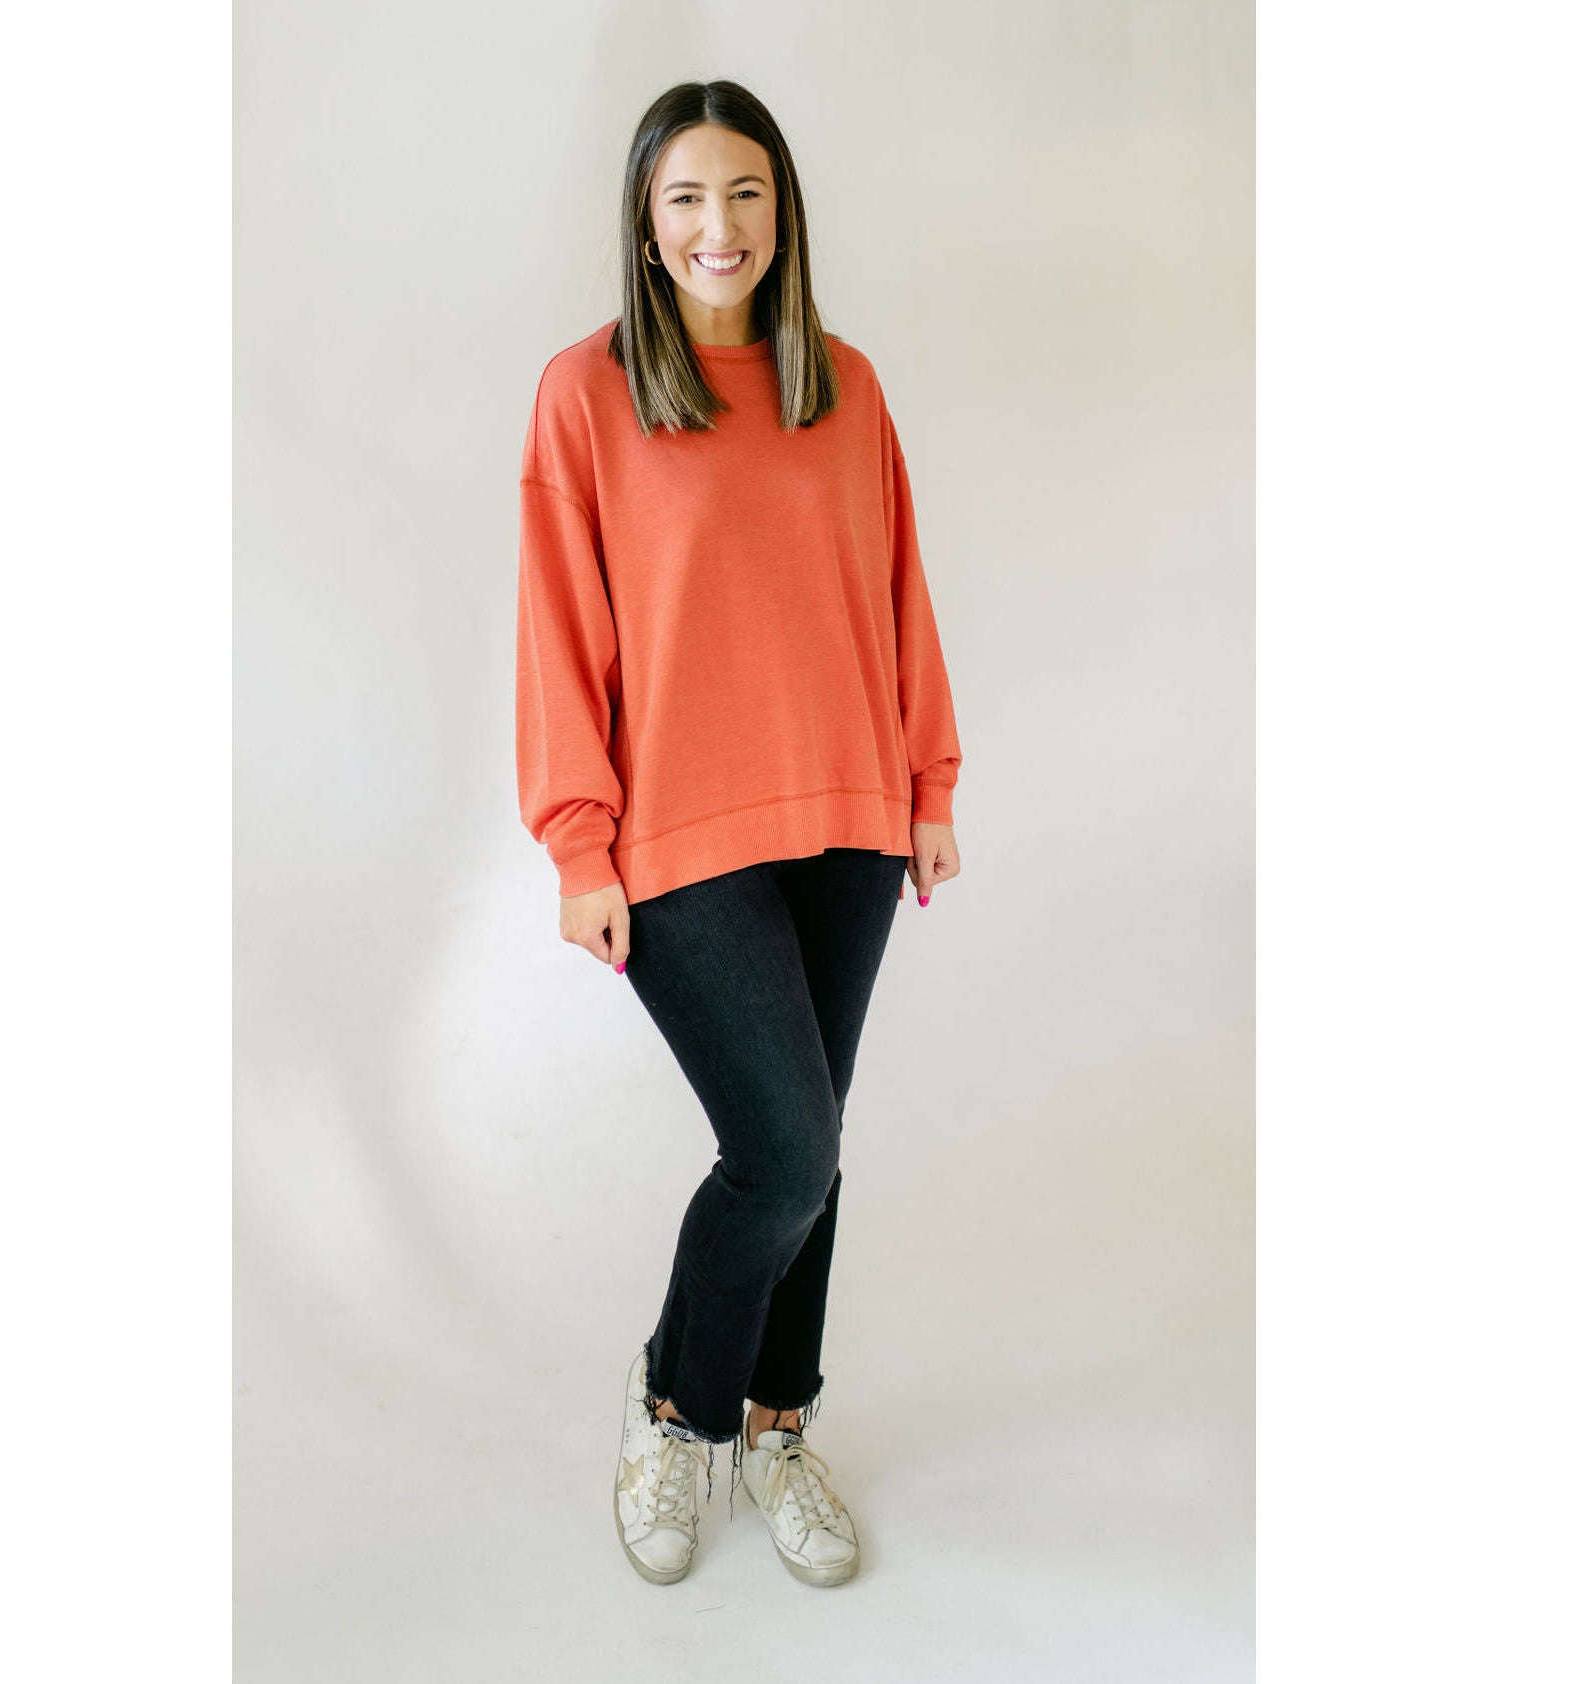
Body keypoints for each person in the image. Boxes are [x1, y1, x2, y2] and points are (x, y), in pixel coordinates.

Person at [514, 80, 964, 1588]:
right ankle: (678, 1407)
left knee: (814, 1147)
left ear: (785, 213)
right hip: (678, 833)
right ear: (647, 224)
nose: (722, 225)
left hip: (848, 813)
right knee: (783, 1148)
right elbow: (560, 633)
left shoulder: (846, 386)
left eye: (748, 192)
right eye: (690, 197)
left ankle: (780, 1429)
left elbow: (898, 591)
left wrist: (928, 784)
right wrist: (581, 845)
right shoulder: (587, 396)